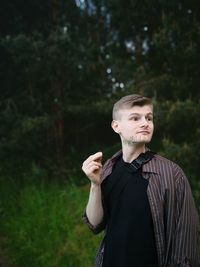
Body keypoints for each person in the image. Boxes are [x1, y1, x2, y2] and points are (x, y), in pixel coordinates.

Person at [81, 94, 199, 267]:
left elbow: (185, 244)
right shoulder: (108, 168)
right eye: (135, 118)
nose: (145, 123)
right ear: (116, 126)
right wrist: (95, 184)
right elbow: (95, 224)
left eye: (149, 118)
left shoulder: (171, 174)